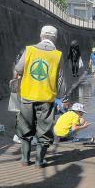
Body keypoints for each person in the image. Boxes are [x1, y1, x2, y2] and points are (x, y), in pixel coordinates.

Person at [14, 25, 69, 167]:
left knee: (25, 128)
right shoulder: (57, 55)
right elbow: (61, 80)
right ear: (55, 38)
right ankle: (40, 161)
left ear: (41, 36)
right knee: (44, 131)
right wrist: (64, 99)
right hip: (46, 99)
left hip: (27, 97)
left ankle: (25, 160)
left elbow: (19, 69)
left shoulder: (29, 50)